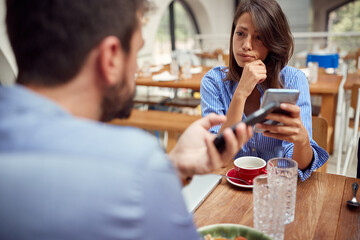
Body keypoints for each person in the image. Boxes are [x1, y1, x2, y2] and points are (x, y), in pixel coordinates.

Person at [0, 0, 253, 239]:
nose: (135, 68)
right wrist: (155, 175)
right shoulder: (136, 166)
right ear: (110, 57)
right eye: (137, 50)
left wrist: (172, 168)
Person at [200, 0, 329, 181]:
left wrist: (301, 139)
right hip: (230, 188)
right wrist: (240, 94)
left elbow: (300, 166)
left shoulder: (292, 80)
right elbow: (218, 156)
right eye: (240, 33)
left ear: (273, 42)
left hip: (277, 188)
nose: (246, 45)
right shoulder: (214, 81)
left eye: (258, 37)